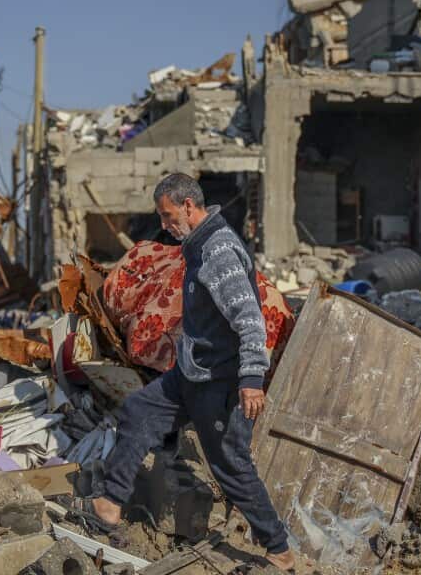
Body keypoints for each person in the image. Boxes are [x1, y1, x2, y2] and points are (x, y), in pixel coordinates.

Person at [83, 173, 296, 571]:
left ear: (188, 206)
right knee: (138, 411)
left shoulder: (219, 253)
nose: (164, 226)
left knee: (230, 466)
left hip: (219, 383)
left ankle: (279, 548)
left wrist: (251, 380)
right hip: (190, 373)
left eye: (167, 216)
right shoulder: (198, 247)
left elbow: (250, 321)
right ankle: (110, 503)